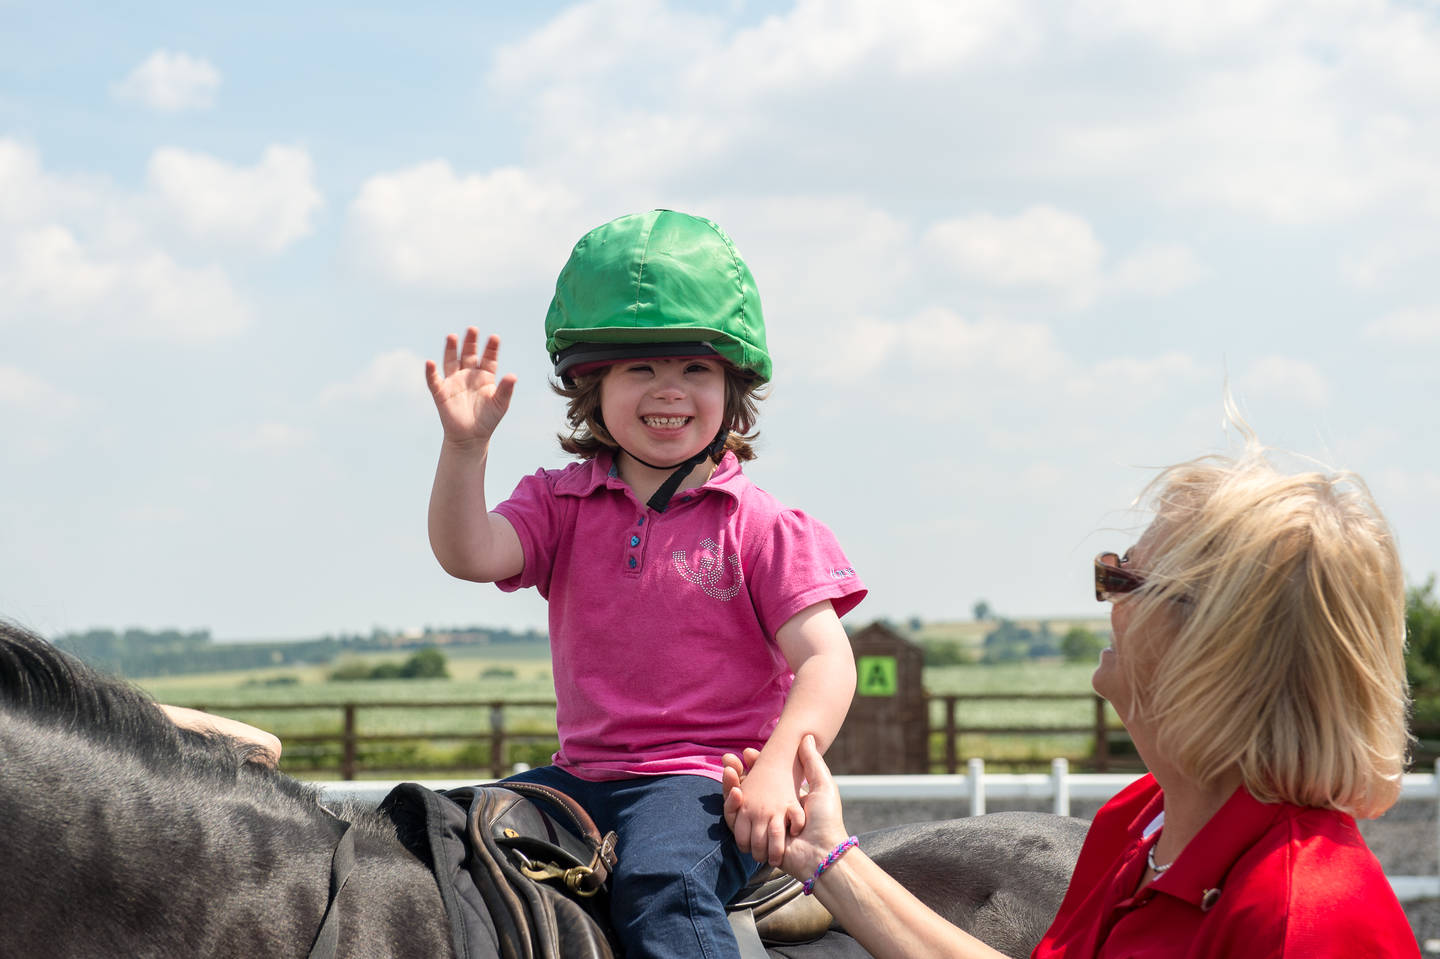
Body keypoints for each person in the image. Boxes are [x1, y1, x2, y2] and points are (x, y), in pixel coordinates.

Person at [723, 432, 1419, 958]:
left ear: (1215, 643)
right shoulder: (1140, 822)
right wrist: (826, 858)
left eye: (1122, 581)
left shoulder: (1305, 916)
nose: (1107, 605)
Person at [424, 209, 866, 958]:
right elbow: (470, 552)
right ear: (591, 387)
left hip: (701, 785)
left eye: (695, 368)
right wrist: (464, 449)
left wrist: (777, 773)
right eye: (641, 368)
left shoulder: (760, 526)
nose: (670, 390)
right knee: (441, 831)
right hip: (579, 778)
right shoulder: (561, 501)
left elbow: (828, 660)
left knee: (662, 883)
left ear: (733, 386)